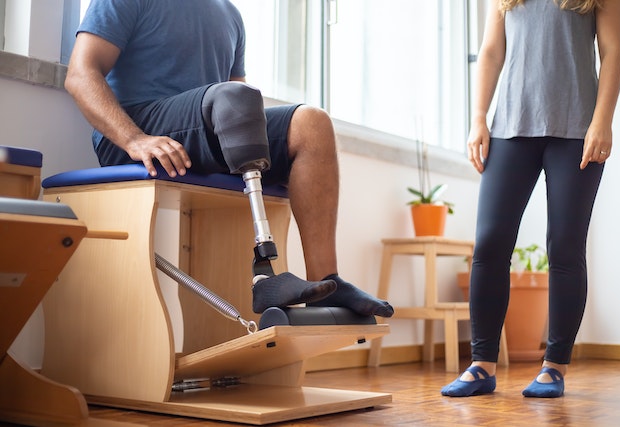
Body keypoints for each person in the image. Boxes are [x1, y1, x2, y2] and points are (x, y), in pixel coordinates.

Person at [64, 0, 394, 318]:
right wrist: (134, 139)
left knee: (312, 123)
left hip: (204, 128)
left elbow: (242, 108)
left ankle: (327, 280)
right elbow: (80, 74)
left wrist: (277, 156)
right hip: (138, 129)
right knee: (234, 96)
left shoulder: (230, 13)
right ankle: (265, 270)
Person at [441, 0, 620, 398]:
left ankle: (554, 366)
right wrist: (478, 118)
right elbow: (491, 50)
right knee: (489, 243)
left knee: (565, 246)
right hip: (509, 127)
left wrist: (602, 121)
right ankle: (481, 365)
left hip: (578, 130)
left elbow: (612, 53)